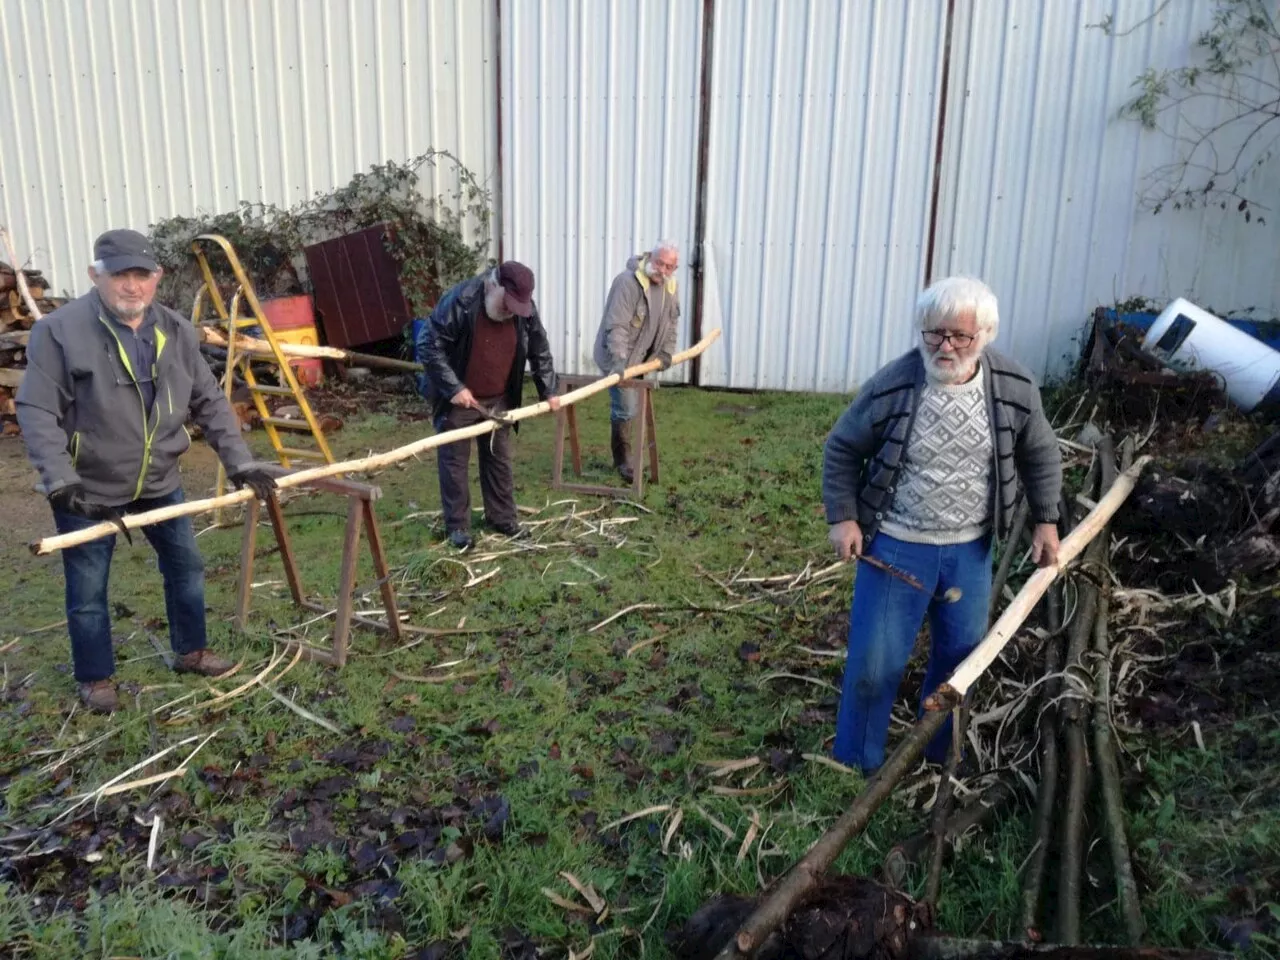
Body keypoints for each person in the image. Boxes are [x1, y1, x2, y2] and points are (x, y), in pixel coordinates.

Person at [16, 229, 279, 713]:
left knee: (187, 569)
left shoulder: (176, 331)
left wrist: (239, 462)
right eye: (120, 275)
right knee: (89, 588)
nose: (131, 286)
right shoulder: (59, 332)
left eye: (142, 275)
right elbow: (36, 408)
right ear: (96, 276)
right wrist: (61, 481)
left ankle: (191, 650)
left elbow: (210, 401)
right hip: (89, 488)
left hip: (160, 482)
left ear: (157, 278)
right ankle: (95, 678)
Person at [821, 276, 1063, 773]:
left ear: (986, 335)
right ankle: (857, 762)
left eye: (960, 336)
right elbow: (842, 448)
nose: (945, 346)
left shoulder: (1013, 386)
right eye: (934, 333)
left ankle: (937, 753)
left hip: (970, 551)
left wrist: (1046, 521)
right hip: (895, 546)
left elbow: (1040, 453)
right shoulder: (892, 385)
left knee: (959, 662)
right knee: (873, 664)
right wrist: (844, 518)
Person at [416, 261, 560, 550]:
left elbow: (538, 347)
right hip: (460, 398)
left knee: (499, 458)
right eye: (506, 304)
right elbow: (428, 345)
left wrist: (549, 391)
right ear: (493, 284)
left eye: (517, 307)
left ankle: (502, 518)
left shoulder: (522, 306)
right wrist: (453, 387)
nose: (510, 311)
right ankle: (458, 527)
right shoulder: (460, 301)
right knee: (455, 461)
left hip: (499, 397)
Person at [593, 241, 680, 481]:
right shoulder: (627, 282)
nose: (662, 270)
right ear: (650, 257)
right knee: (627, 407)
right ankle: (623, 460)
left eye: (669, 266)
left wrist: (666, 353)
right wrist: (619, 362)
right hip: (617, 357)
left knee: (636, 406)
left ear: (675, 268)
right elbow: (617, 326)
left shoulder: (670, 288)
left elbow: (671, 324)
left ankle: (627, 454)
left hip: (643, 359)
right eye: (660, 263)